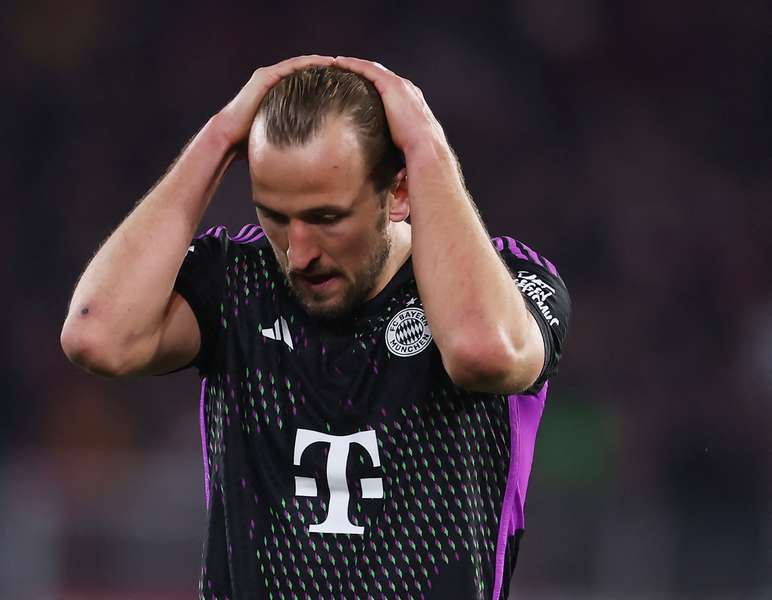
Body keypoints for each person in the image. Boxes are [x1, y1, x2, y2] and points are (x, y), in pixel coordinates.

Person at [61, 55, 571, 599]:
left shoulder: (508, 279)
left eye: (327, 218)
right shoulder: (238, 282)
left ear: (399, 193)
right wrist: (216, 141)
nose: (299, 253)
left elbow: (483, 352)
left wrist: (427, 145)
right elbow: (98, 336)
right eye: (276, 216)